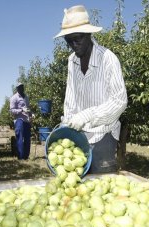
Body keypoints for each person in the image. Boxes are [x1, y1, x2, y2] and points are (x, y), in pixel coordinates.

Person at [55, 5, 128, 173]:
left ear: (89, 34)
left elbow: (119, 101)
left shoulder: (108, 58)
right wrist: (66, 123)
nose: (74, 44)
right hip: (78, 136)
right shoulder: (71, 61)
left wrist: (88, 115)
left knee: (101, 187)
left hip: (103, 134)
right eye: (68, 40)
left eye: (78, 38)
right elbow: (71, 97)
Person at [10, 83, 32, 160]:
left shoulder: (26, 97)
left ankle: (26, 156)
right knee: (19, 137)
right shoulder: (14, 98)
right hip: (19, 120)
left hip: (26, 120)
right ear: (17, 88)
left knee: (27, 138)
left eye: (22, 87)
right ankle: (20, 156)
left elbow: (28, 108)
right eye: (19, 87)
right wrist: (21, 110)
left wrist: (31, 114)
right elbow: (12, 111)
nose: (21, 88)